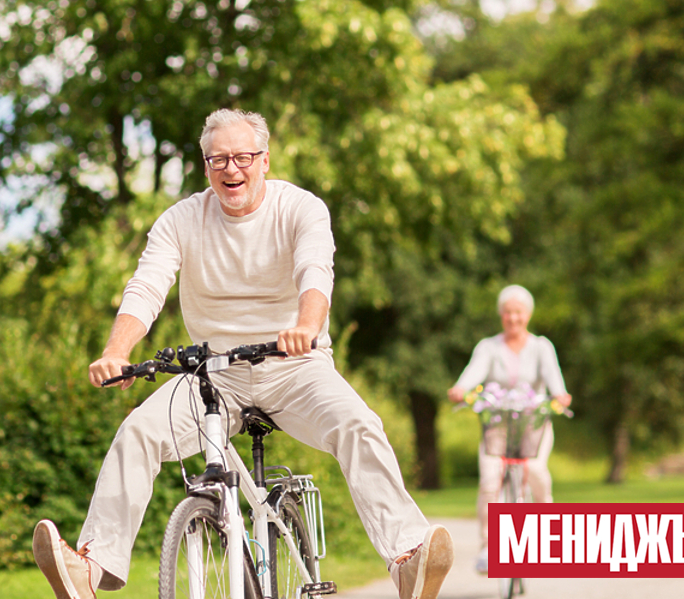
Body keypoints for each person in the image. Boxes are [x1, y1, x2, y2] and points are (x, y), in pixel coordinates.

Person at [32, 109, 454, 599]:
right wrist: (116, 351)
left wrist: (306, 327)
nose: (231, 169)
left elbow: (315, 271)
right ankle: (92, 567)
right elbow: (146, 287)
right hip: (214, 374)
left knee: (358, 424)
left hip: (294, 364)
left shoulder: (300, 208)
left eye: (242, 157)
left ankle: (406, 557)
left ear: (265, 161)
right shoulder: (181, 220)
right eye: (218, 160)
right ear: (205, 166)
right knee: (137, 433)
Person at [446, 284, 571, 574]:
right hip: (498, 426)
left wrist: (560, 395)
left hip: (534, 425)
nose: (513, 318)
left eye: (518, 313)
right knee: (490, 479)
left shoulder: (542, 347)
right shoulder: (489, 347)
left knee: (536, 471)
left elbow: (555, 381)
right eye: (507, 313)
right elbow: (472, 373)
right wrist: (461, 389)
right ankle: (488, 548)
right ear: (501, 315)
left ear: (527, 315)